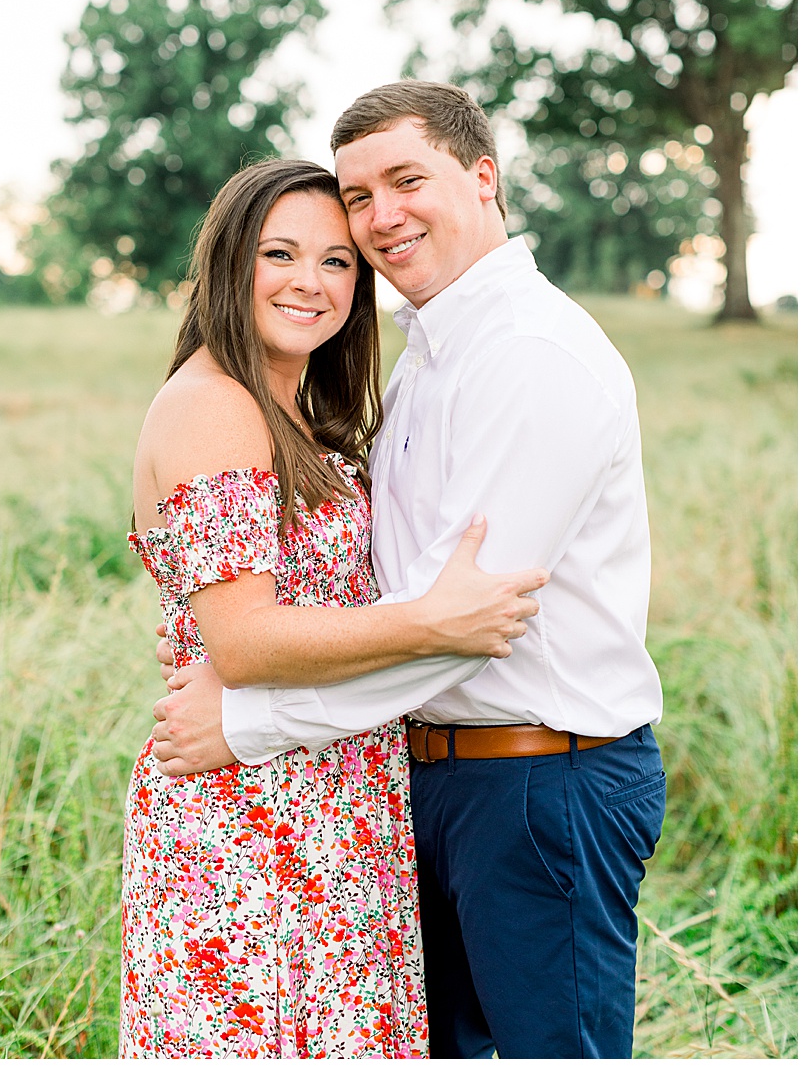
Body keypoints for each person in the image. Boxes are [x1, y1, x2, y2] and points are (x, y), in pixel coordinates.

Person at [152, 82, 666, 1058]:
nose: (381, 216)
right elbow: (418, 608)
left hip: (541, 779)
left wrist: (247, 718)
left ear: (483, 178)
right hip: (423, 783)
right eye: (357, 195)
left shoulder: (533, 353)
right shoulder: (431, 350)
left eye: (405, 180)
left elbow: (465, 624)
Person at [122, 157, 549, 1058]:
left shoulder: (295, 410)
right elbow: (241, 641)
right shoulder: (214, 406)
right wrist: (434, 622)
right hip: (254, 816)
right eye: (279, 253)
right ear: (228, 263)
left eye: (336, 262)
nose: (309, 283)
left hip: (334, 801)